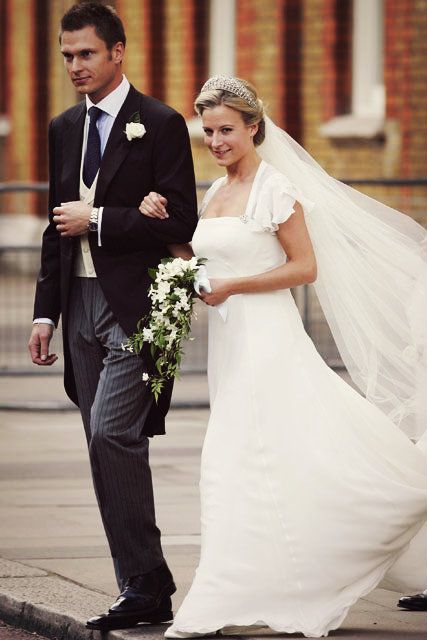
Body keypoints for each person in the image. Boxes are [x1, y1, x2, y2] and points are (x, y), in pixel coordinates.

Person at [139, 76, 427, 638]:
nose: (216, 141)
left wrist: (235, 286)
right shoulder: (214, 193)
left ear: (254, 127)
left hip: (269, 340)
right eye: (208, 131)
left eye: (226, 130)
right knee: (257, 459)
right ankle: (267, 580)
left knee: (243, 455)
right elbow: (202, 263)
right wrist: (162, 226)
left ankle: (224, 596)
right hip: (231, 345)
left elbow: (304, 267)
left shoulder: (276, 188)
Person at [28, 2, 197, 632]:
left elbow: (182, 220)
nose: (75, 65)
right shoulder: (63, 126)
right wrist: (44, 313)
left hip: (140, 305)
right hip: (78, 306)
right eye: (67, 56)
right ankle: (141, 583)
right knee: (103, 447)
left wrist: (98, 219)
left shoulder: (161, 123)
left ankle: (147, 579)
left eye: (87, 53)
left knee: (111, 433)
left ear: (117, 52)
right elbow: (56, 227)